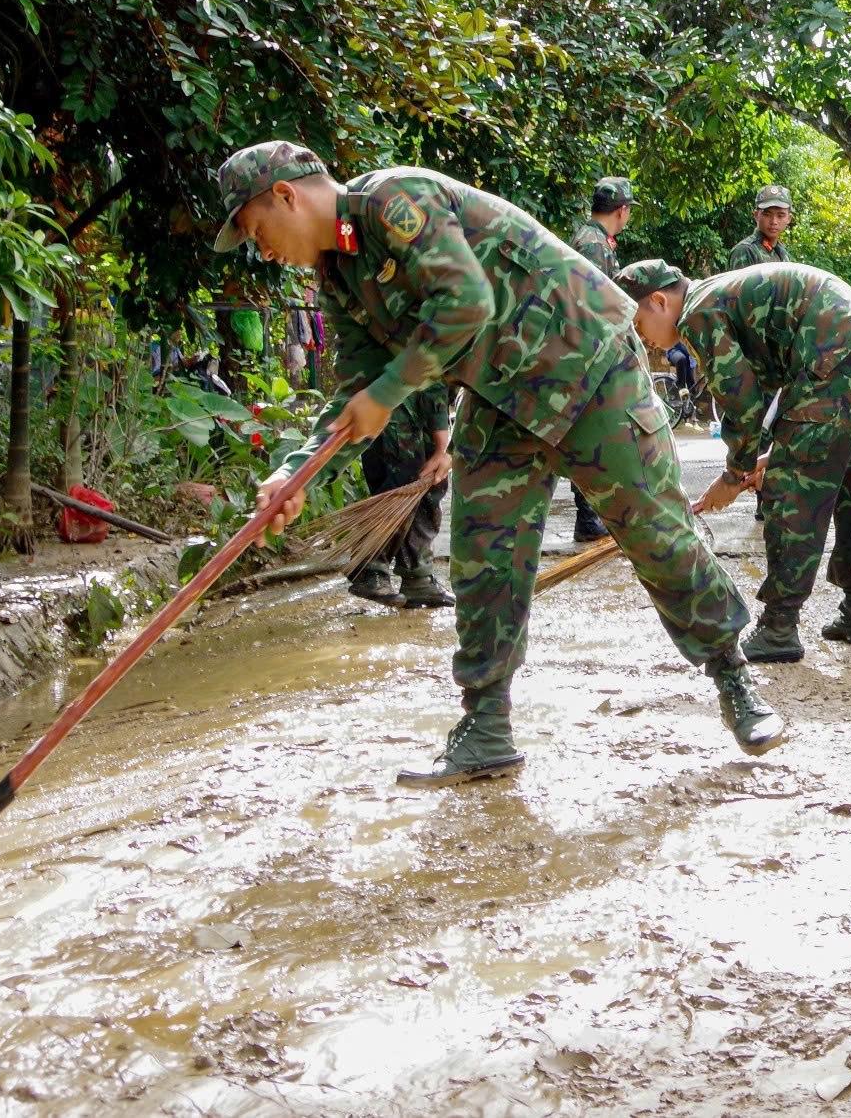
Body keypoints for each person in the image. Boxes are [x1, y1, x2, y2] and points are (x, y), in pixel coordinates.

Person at [214, 143, 785, 785]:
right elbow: (355, 387)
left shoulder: (392, 201)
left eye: (257, 231)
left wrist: (387, 392)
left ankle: (736, 680)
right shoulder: (339, 275)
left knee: (655, 534)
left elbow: (465, 303)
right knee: (485, 554)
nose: (262, 251)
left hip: (588, 365)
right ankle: (485, 727)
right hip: (500, 395)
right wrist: (294, 473)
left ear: (287, 196)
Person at [620, 257, 851, 663]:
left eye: (639, 325)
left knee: (791, 491)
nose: (644, 339)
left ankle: (779, 627)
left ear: (659, 301)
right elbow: (786, 379)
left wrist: (735, 475)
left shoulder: (698, 313)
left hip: (836, 354)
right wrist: (773, 451)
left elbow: (744, 406)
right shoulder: (721, 293)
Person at [561, 177, 634, 548]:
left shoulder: (592, 239)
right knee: (590, 438)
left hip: (590, 354)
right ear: (622, 211)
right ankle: (588, 518)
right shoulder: (592, 244)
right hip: (589, 357)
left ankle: (591, 515)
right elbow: (593, 306)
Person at [346, 385, 457, 611]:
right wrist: (443, 446)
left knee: (431, 482)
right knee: (402, 480)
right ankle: (369, 568)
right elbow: (432, 366)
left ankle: (418, 577)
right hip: (396, 394)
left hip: (422, 397)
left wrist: (442, 447)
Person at [726, 185, 795, 270]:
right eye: (767, 214)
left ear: (789, 219)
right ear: (756, 216)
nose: (774, 222)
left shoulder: (782, 251)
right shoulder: (745, 251)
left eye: (780, 216)